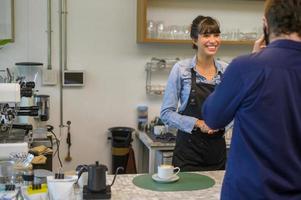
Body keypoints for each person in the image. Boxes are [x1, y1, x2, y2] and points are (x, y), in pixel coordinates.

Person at [202, 0, 301, 199]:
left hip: (249, 192)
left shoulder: (245, 68)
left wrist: (253, 58)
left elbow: (212, 117)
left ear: (265, 24)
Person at [160, 15, 228, 172]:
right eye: (206, 35)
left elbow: (235, 109)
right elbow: (166, 113)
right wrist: (198, 124)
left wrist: (221, 123)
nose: (213, 40)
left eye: (216, 35)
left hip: (217, 155)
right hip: (187, 157)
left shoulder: (227, 70)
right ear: (194, 39)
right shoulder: (181, 69)